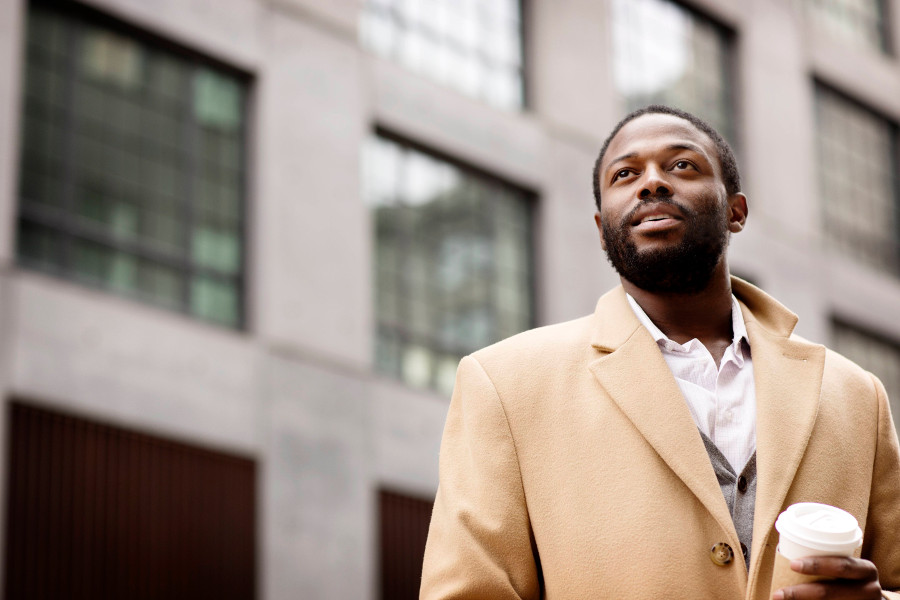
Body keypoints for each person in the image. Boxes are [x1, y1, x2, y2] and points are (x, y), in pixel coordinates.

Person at [419, 105, 900, 600]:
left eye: (682, 165)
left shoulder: (855, 394)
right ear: (601, 226)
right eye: (625, 174)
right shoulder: (504, 383)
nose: (651, 184)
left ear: (736, 211)